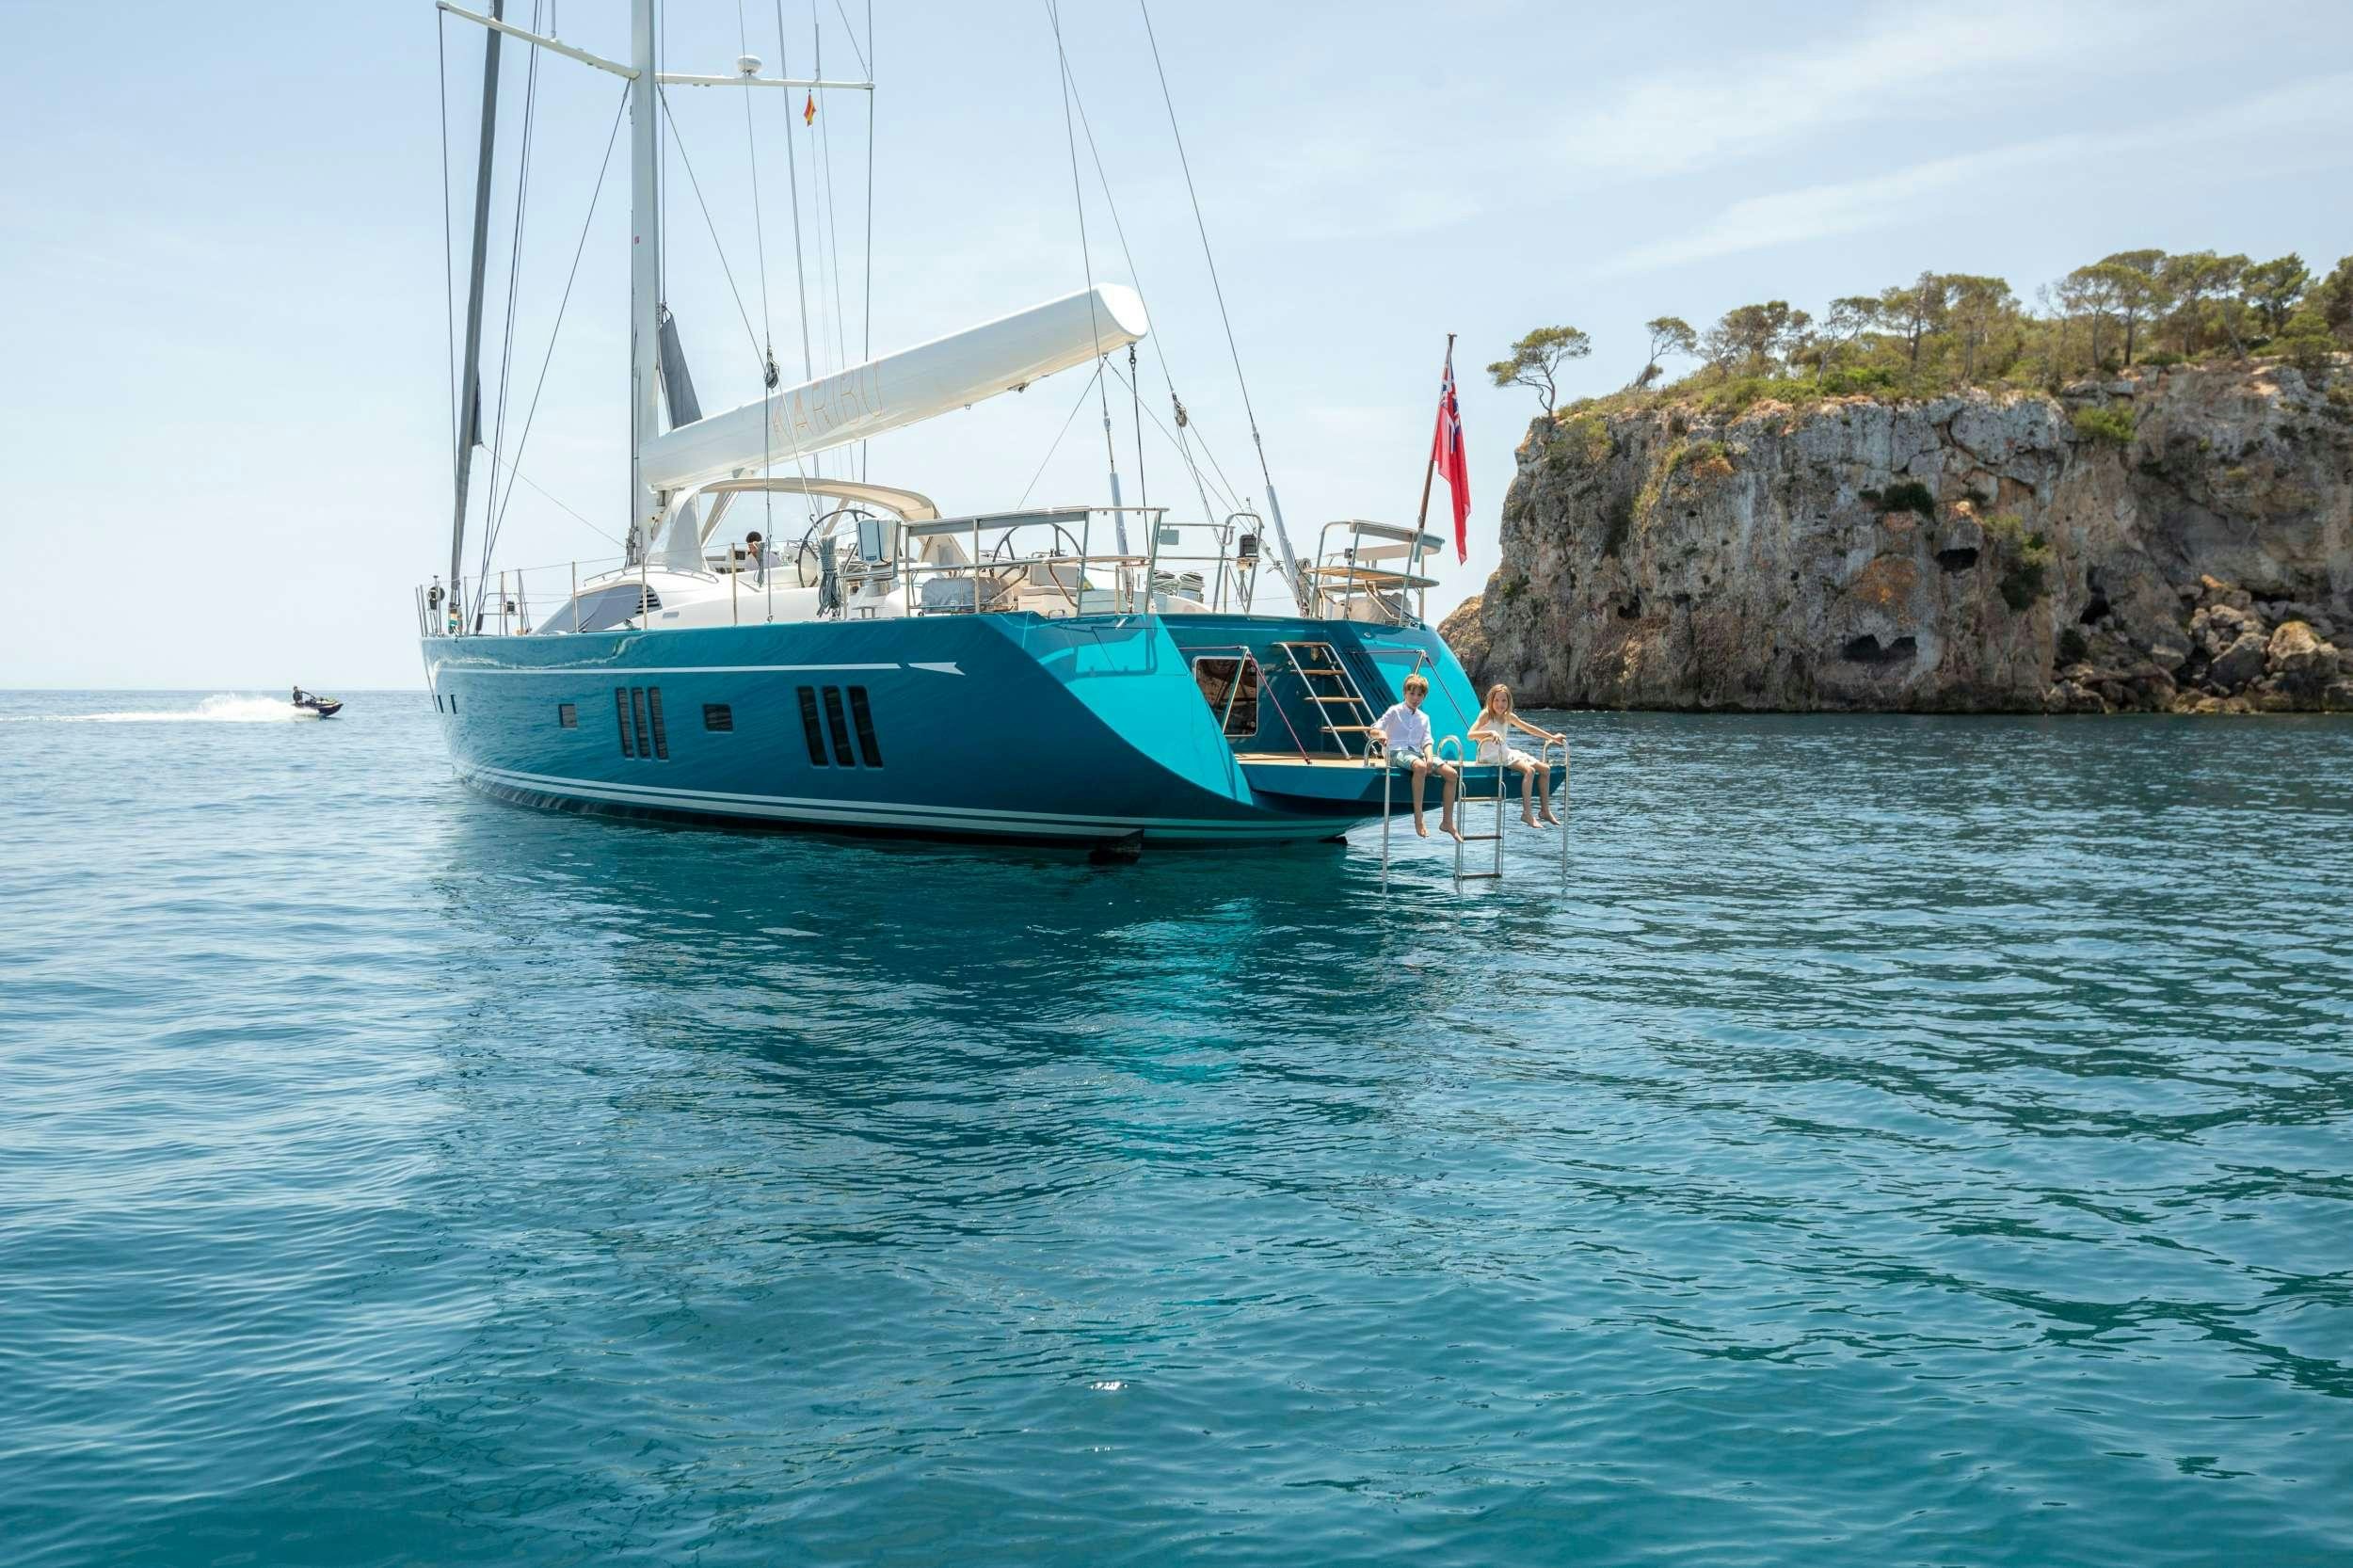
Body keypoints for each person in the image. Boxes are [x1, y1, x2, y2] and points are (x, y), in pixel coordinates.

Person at [1372, 671, 1460, 840]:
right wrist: (1381, 735)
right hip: (1395, 752)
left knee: (1452, 774)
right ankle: (1418, 818)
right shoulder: (1394, 710)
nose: (1415, 698)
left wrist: (1429, 758)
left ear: (1424, 697)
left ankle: (1447, 822)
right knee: (1419, 767)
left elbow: (1427, 742)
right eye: (1412, 693)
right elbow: (1374, 729)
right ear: (1405, 693)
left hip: (1417, 753)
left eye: (1420, 695)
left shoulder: (1424, 718)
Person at [1468, 682, 1564, 827]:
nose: (1500, 704)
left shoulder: (1508, 716)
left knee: (1545, 769)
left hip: (1504, 752)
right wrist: (1490, 732)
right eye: (1496, 700)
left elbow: (1529, 728)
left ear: (1508, 702)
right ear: (1491, 701)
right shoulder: (1486, 714)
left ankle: (1545, 810)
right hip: (1490, 755)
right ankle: (1527, 813)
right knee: (1529, 770)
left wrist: (1552, 737)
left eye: (1504, 701)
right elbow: (1470, 735)